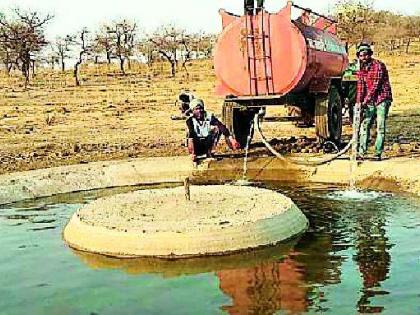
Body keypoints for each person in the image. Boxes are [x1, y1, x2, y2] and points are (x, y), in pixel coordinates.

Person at [356, 43, 393, 161]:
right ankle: (362, 152)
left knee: (380, 127)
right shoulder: (361, 69)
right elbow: (361, 86)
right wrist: (358, 102)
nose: (363, 58)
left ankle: (378, 153)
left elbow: (375, 86)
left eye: (365, 55)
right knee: (365, 125)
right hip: (370, 101)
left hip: (382, 98)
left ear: (370, 55)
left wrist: (365, 102)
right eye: (361, 56)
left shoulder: (378, 65)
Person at [186, 99, 240, 164]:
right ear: (193, 111)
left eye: (201, 108)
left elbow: (221, 127)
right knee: (189, 134)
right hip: (196, 145)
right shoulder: (190, 121)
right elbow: (191, 136)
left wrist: (232, 139)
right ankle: (194, 155)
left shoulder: (209, 117)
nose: (199, 111)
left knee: (216, 128)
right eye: (196, 109)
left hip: (207, 143)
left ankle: (209, 153)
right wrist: (192, 153)